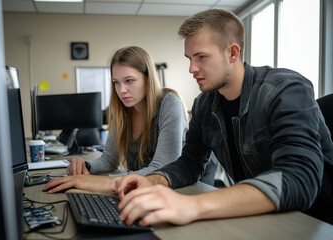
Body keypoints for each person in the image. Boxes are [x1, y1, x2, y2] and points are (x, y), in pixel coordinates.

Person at [116, 9, 333, 226]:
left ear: (232, 53)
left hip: (315, 220)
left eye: (201, 57)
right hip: (259, 216)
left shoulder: (286, 89)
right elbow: (191, 162)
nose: (192, 68)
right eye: (189, 58)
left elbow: (299, 178)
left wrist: (194, 205)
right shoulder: (204, 104)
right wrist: (153, 180)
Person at [43, 46, 189, 193]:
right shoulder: (121, 110)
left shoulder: (169, 103)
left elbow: (161, 167)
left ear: (148, 78)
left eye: (129, 80)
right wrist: (86, 167)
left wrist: (103, 182)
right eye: (116, 82)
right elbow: (109, 161)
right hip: (140, 191)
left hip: (180, 192)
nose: (121, 90)